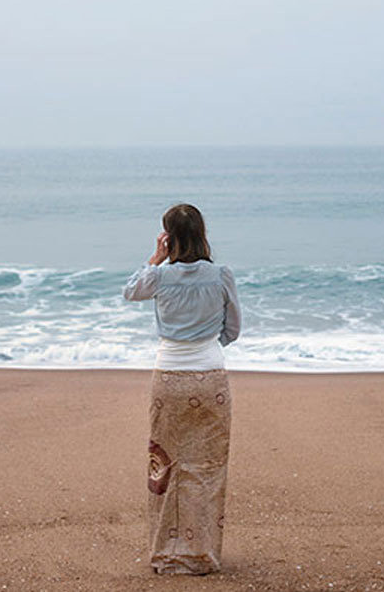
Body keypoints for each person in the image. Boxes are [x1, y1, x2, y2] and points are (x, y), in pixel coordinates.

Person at [123, 203, 242, 575]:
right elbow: (233, 329)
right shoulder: (221, 274)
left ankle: (167, 555)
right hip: (210, 378)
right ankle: (202, 556)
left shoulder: (159, 277)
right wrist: (206, 348)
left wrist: (156, 257)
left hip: (169, 378)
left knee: (166, 465)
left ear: (169, 236)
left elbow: (131, 291)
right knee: (208, 467)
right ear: (203, 233)